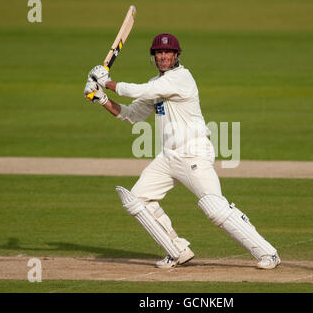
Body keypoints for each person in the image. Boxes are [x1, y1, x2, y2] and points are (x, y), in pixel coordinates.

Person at [83, 33, 281, 269]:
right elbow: (131, 115)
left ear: (176, 56)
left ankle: (268, 253)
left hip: (193, 152)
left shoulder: (181, 78)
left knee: (215, 208)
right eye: (159, 52)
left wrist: (106, 81)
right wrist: (101, 98)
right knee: (137, 200)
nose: (163, 56)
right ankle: (176, 250)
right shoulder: (156, 85)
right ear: (153, 57)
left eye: (168, 52)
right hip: (168, 156)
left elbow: (139, 90)